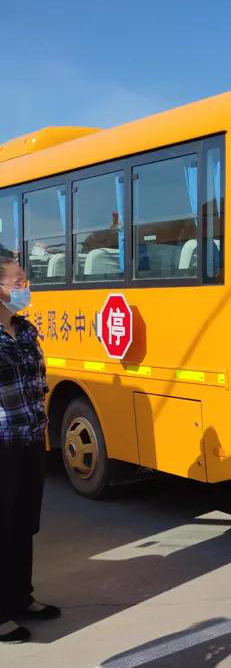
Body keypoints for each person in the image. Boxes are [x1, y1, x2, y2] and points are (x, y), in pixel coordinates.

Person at [0, 255, 59, 644]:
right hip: (2, 443)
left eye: (25, 279)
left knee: (23, 524)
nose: (25, 286)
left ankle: (21, 597)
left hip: (30, 439)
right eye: (18, 280)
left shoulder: (25, 329)